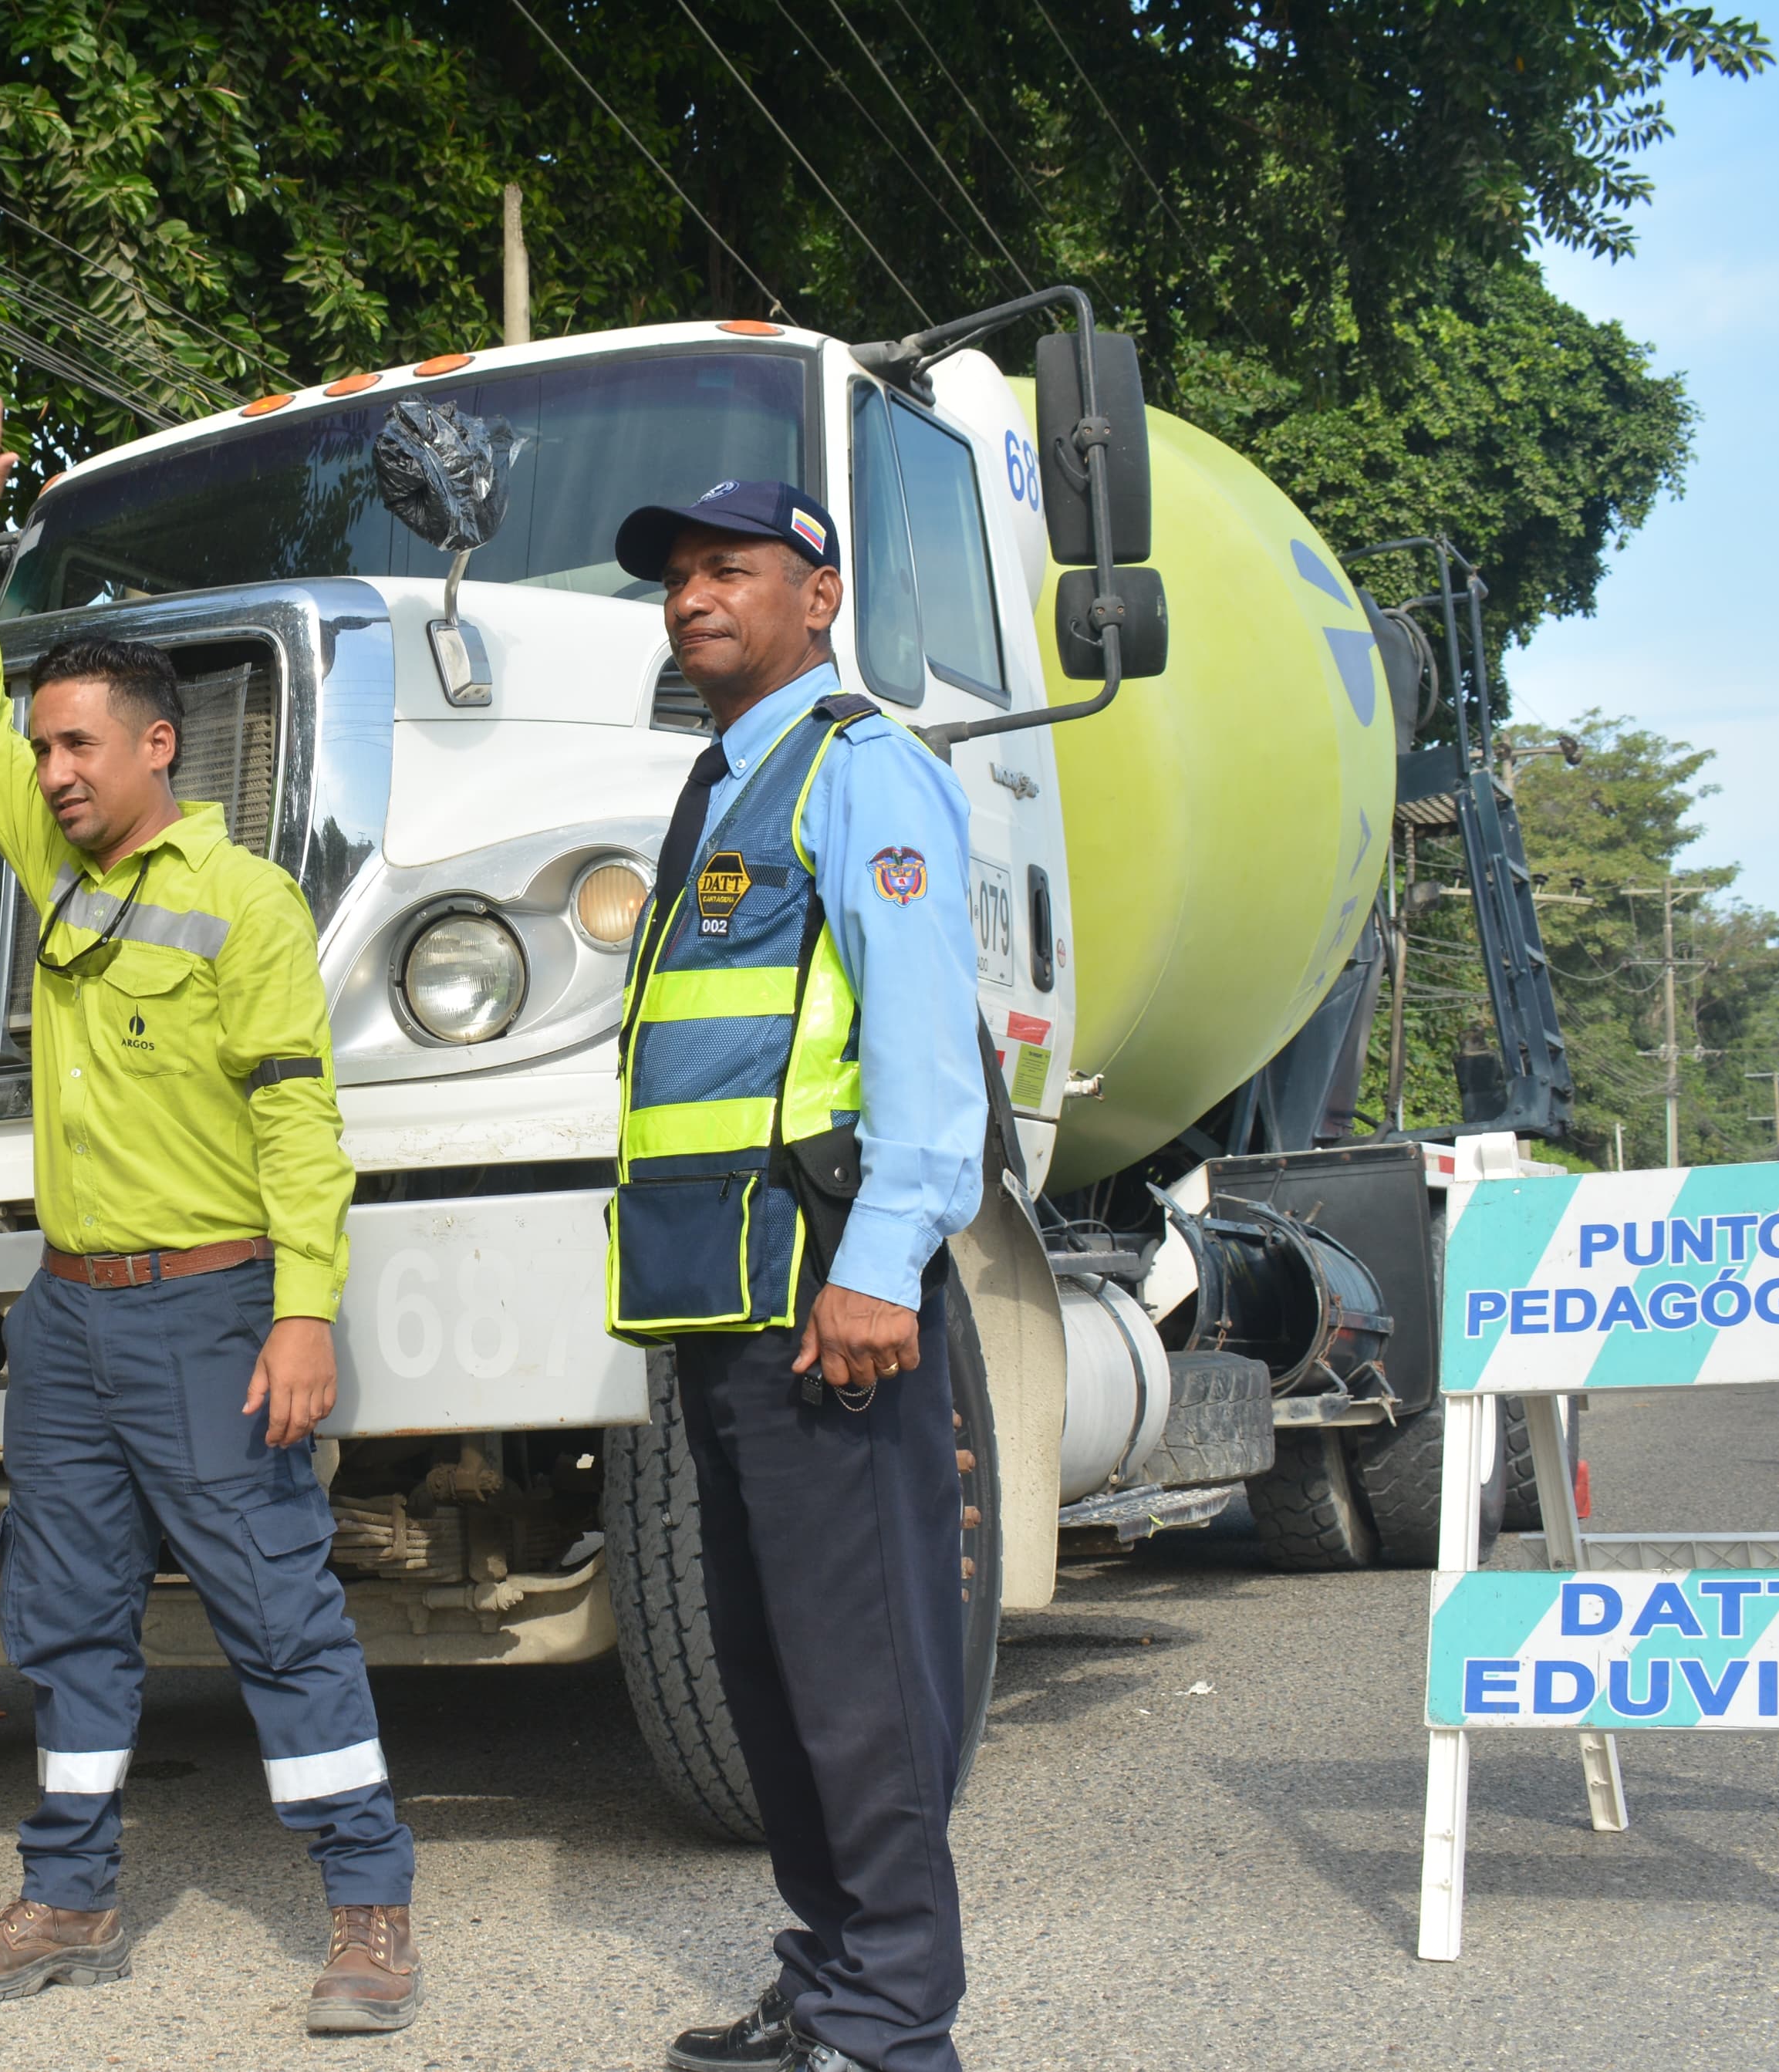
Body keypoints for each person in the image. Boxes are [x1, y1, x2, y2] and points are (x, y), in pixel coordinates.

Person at [0, 388, 422, 2034]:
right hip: (70, 1312)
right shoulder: (55, 865)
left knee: (276, 1612)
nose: (48, 769)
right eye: (44, 748)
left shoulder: (242, 901)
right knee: (62, 1618)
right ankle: (64, 1889)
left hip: (211, 1311)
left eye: (80, 746)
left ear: (156, 748)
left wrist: (301, 1305)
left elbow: (299, 1118)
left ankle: (367, 1904)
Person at [603, 481, 986, 2072]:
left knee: (859, 1676)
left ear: (816, 595)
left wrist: (883, 1263)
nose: (695, 594)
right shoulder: (722, 783)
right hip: (722, 1298)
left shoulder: (860, 770)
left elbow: (919, 1040)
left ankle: (896, 2024)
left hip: (829, 1292)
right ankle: (831, 1977)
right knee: (770, 1675)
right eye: (679, 575)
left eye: (730, 566)